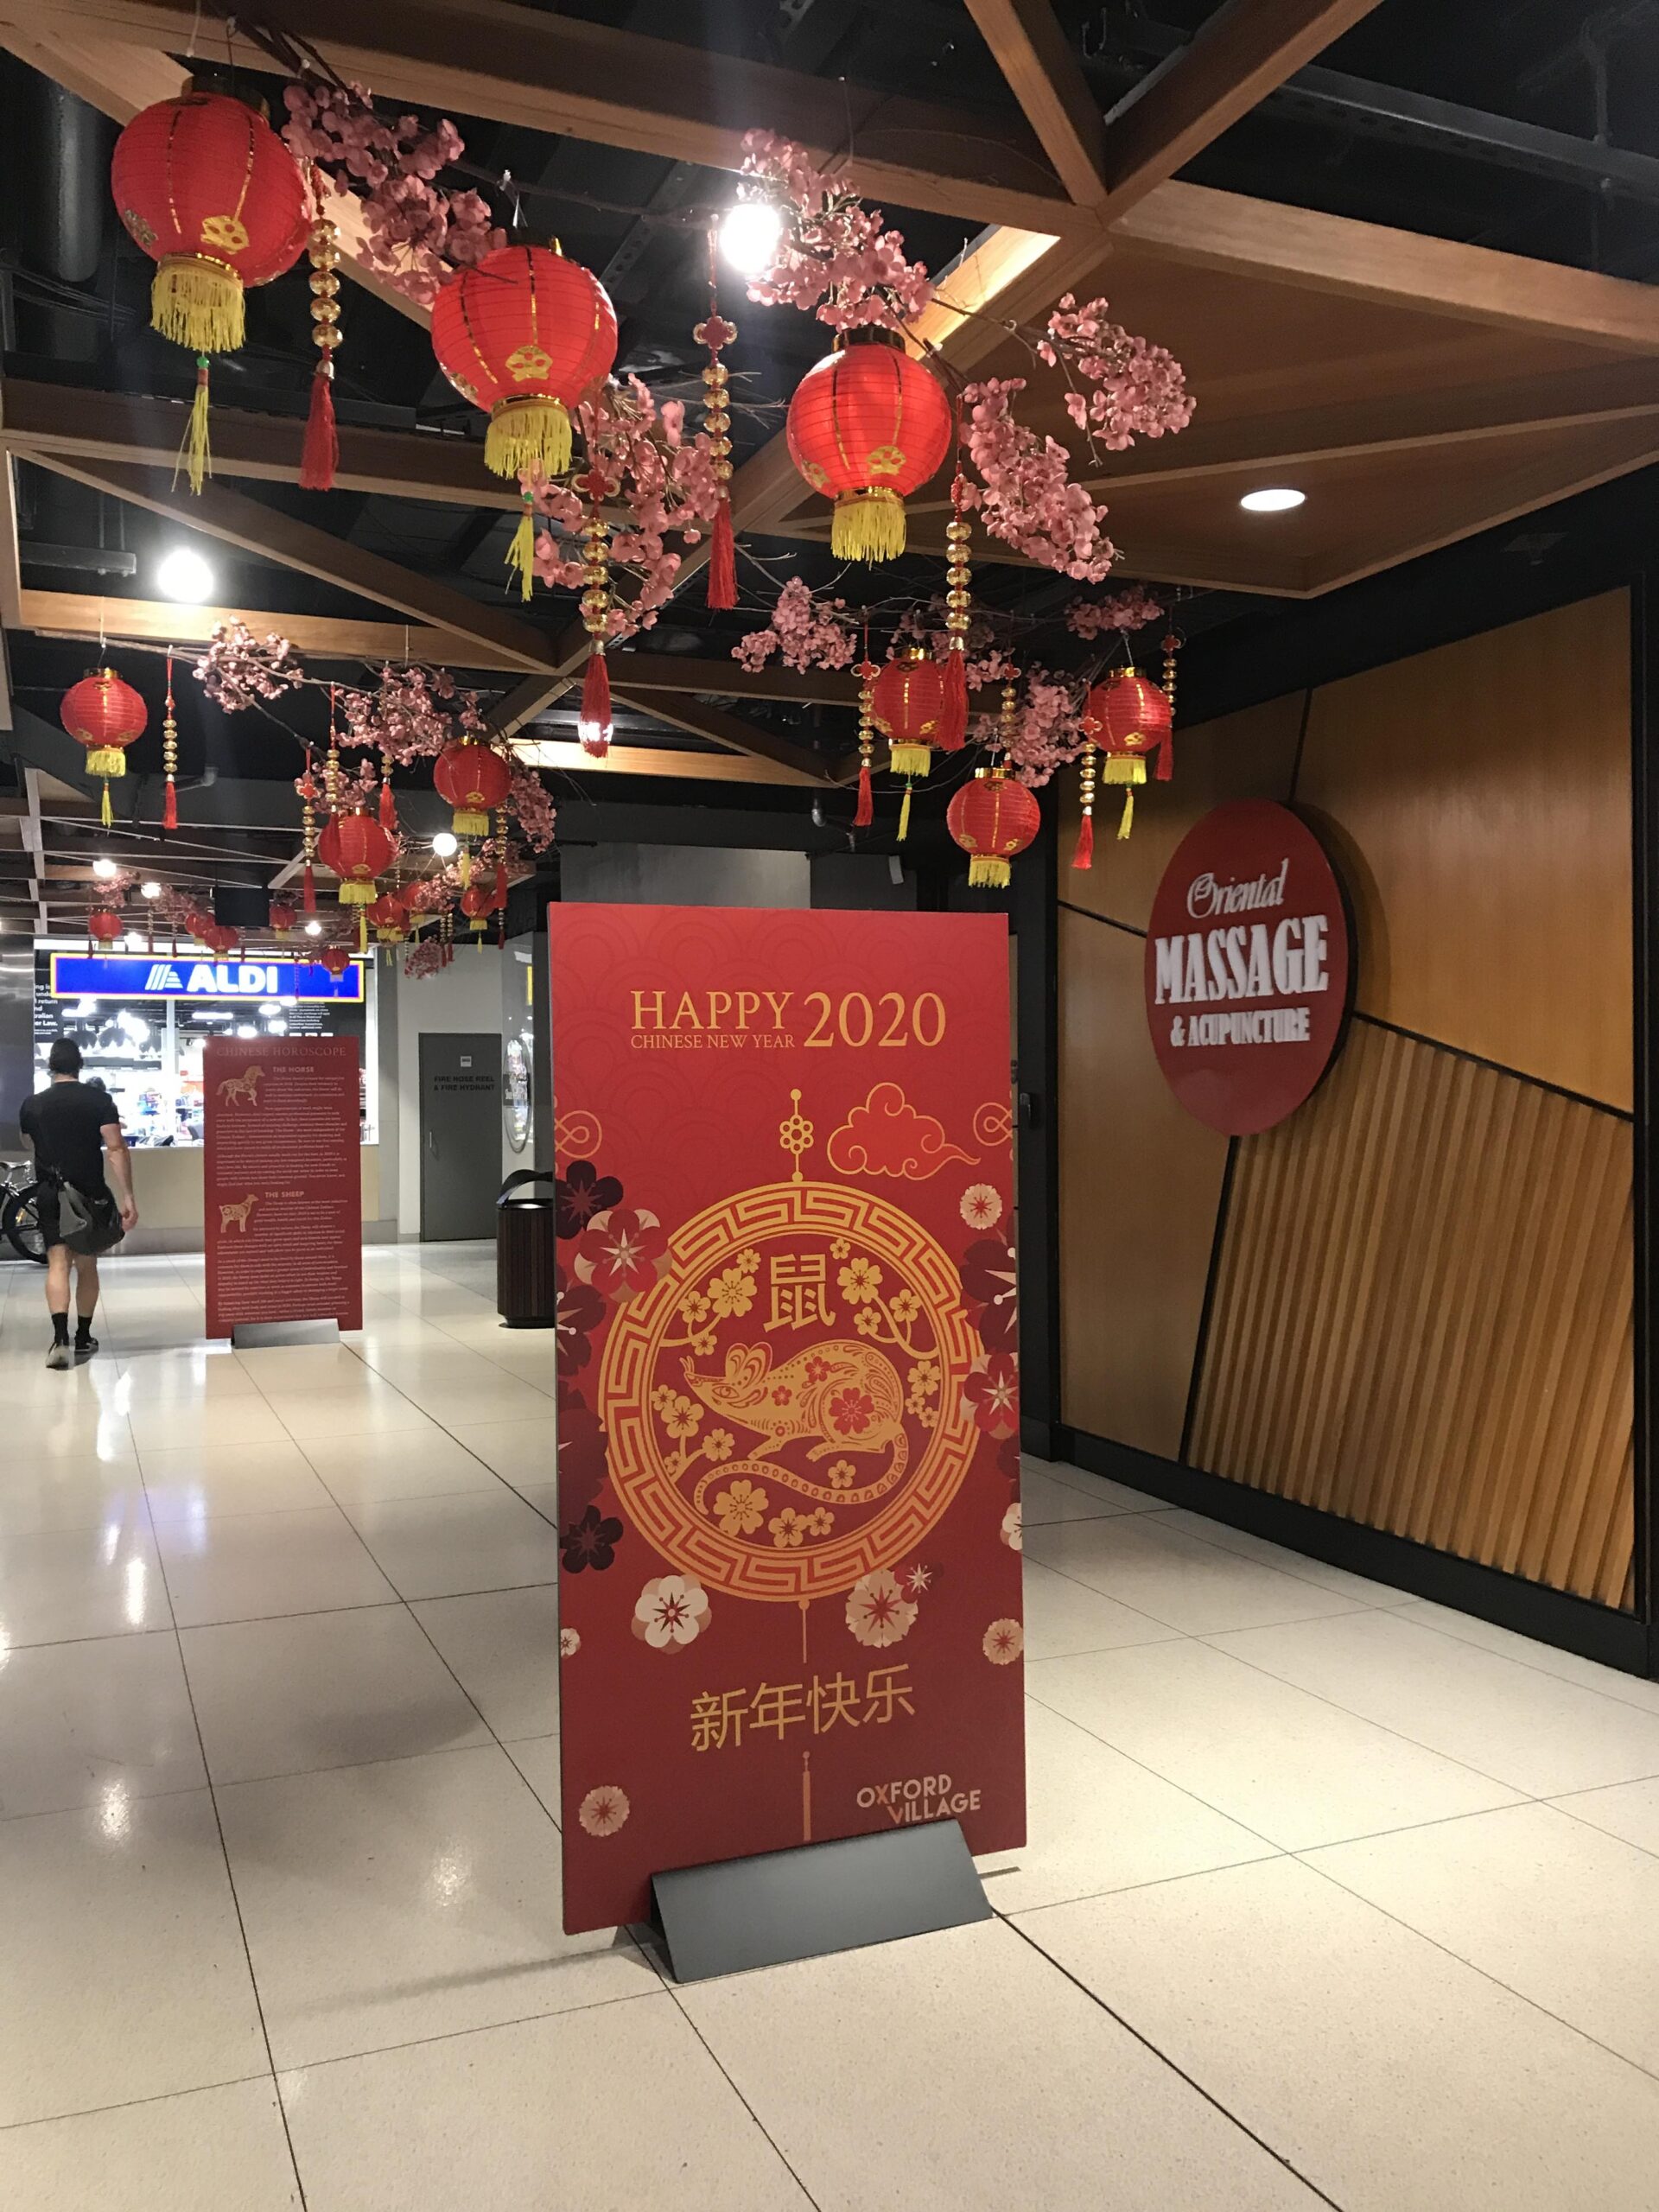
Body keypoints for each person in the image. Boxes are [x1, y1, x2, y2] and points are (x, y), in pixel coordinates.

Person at [19, 1039, 138, 1369]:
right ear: (79, 1065)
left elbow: (28, 1142)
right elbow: (116, 1148)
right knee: (87, 1264)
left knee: (58, 1262)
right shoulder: (99, 1100)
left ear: (51, 1066)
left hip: (50, 1191)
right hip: (88, 1193)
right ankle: (84, 1335)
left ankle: (60, 1339)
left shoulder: (33, 1104)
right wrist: (128, 1196)